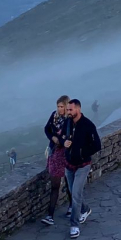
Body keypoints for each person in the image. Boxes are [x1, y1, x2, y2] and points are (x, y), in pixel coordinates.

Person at [63, 98, 102, 239]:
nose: (68, 112)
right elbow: (62, 137)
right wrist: (64, 142)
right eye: (67, 109)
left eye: (70, 109)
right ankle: (85, 209)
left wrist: (82, 153)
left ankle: (74, 225)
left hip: (83, 166)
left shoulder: (88, 125)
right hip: (69, 165)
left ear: (78, 109)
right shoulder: (67, 123)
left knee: (76, 194)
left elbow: (97, 145)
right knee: (75, 194)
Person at [40, 96, 70, 225]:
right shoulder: (54, 116)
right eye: (58, 106)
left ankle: (72, 207)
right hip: (54, 154)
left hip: (66, 154)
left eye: (62, 106)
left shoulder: (70, 119)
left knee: (69, 182)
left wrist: (61, 141)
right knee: (55, 185)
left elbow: (71, 136)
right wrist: (53, 138)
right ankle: (50, 215)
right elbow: (47, 129)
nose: (59, 109)